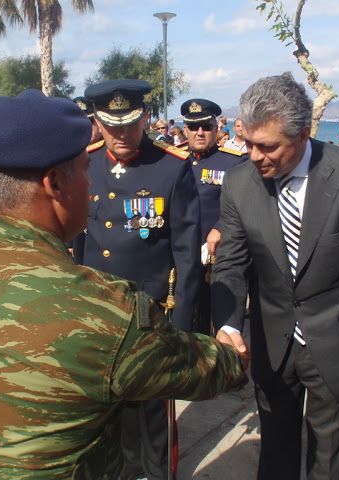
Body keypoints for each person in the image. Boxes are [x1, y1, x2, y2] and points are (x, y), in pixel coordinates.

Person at [0, 89, 247, 480]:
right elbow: (208, 369)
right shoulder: (106, 312)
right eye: (85, 172)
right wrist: (230, 351)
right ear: (55, 183)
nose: (92, 184)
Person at [211, 73, 339, 480]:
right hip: (272, 341)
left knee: (330, 456)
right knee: (276, 448)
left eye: (268, 147)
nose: (255, 156)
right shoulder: (240, 183)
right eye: (249, 144)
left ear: (301, 135)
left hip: (338, 341)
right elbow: (230, 262)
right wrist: (227, 323)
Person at [78, 80, 202, 480]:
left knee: (153, 412)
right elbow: (78, 242)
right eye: (111, 127)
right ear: (97, 122)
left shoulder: (170, 165)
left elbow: (186, 252)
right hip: (98, 312)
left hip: (150, 315)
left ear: (145, 118)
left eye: (130, 125)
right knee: (108, 408)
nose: (122, 135)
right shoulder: (86, 162)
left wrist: (180, 322)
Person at [181, 98, 246, 335]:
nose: (200, 132)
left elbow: (243, 204)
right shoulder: (173, 160)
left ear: (216, 128)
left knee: (218, 325)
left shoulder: (234, 162)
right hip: (179, 258)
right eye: (194, 127)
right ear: (185, 129)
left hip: (217, 258)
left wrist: (220, 227)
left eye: (207, 127)